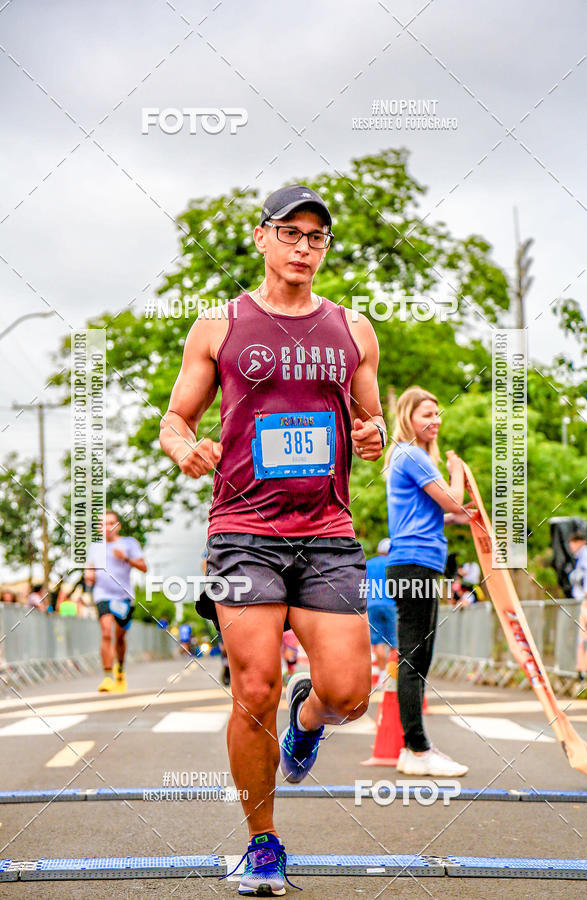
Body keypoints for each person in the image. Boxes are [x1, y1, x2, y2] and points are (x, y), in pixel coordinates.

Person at [159, 183, 385, 896]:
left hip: (326, 532)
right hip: (243, 531)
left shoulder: (354, 329)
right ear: (261, 238)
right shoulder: (219, 326)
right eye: (290, 232)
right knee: (252, 687)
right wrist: (184, 447)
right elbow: (175, 420)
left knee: (349, 692)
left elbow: (369, 425)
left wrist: (374, 436)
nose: (303, 247)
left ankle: (309, 717)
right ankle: (263, 844)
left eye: (316, 237)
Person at [385, 385, 473, 779]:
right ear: (408, 418)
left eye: (437, 414)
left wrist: (460, 516)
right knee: (413, 659)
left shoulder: (408, 458)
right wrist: (457, 473)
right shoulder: (413, 454)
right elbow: (451, 499)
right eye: (425, 414)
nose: (434, 421)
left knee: (417, 658)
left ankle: (414, 748)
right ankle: (417, 748)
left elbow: (439, 511)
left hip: (419, 563)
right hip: (414, 565)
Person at [84, 510, 147, 693]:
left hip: (124, 596)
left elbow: (144, 567)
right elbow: (89, 569)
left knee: (120, 637)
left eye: (111, 523)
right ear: (98, 527)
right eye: (103, 523)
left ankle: (120, 668)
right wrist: (89, 575)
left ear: (117, 525)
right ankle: (107, 676)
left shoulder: (129, 544)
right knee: (106, 632)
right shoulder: (94, 547)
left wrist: (126, 558)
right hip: (102, 594)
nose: (107, 527)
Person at [365, 537, 397, 688]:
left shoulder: (368, 564)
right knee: (394, 642)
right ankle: (394, 677)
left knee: (377, 642)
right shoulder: (395, 563)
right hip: (391, 605)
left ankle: (382, 675)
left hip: (371, 605)